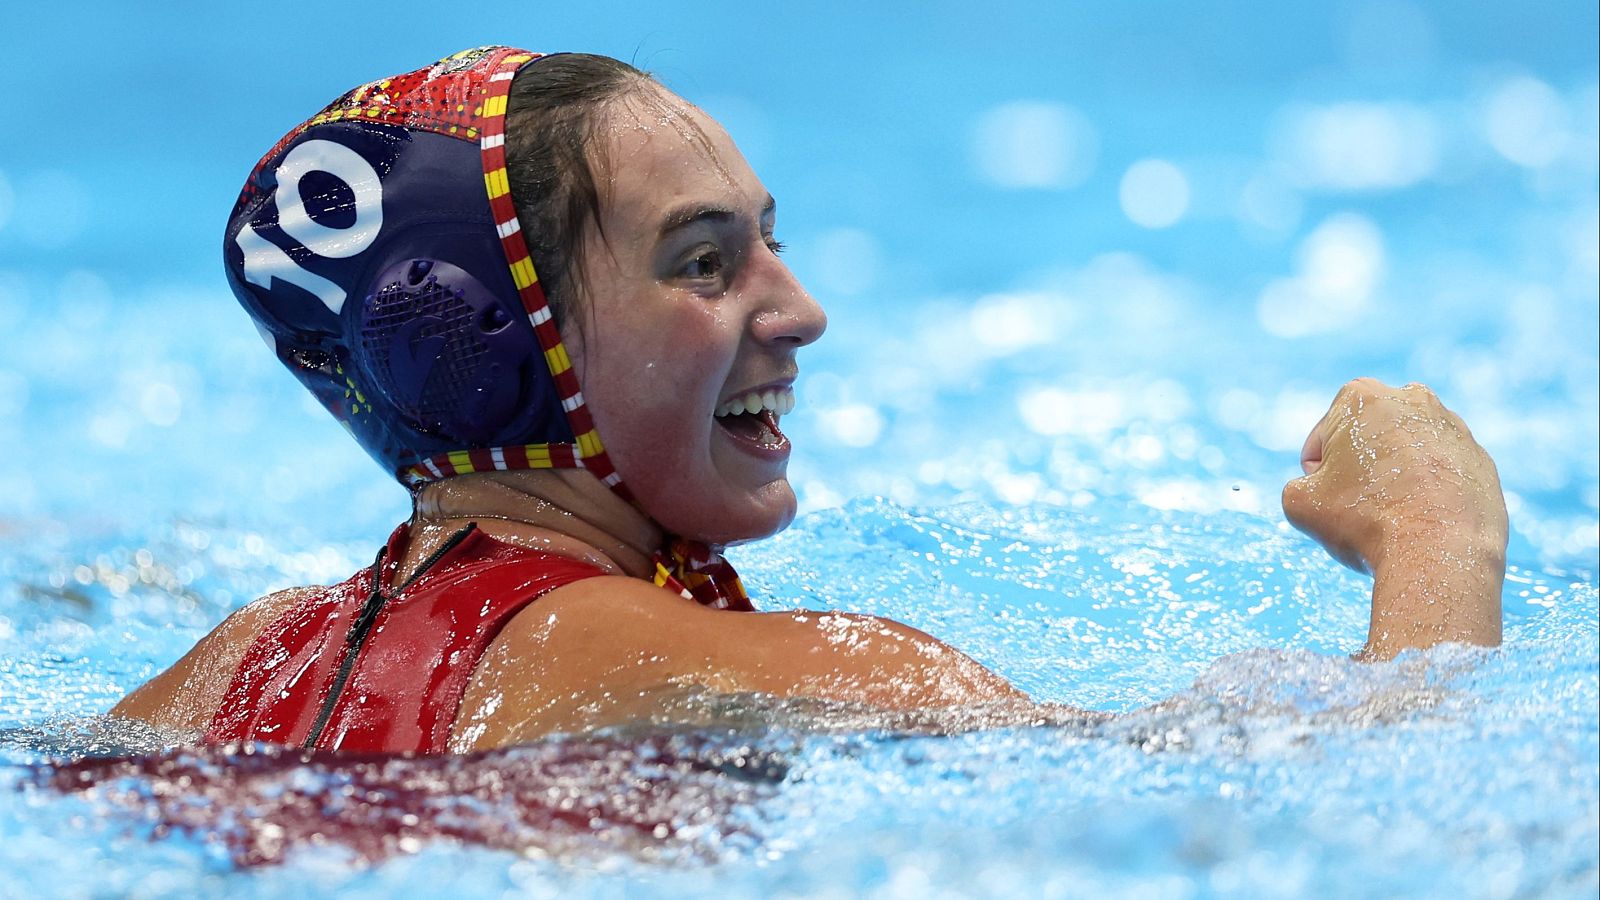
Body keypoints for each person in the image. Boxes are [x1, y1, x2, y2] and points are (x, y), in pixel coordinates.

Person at [110, 47, 1507, 754]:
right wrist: (1441, 539)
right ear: (485, 351)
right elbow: (1336, 785)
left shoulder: (232, 669)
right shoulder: (754, 666)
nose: (799, 309)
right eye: (706, 262)